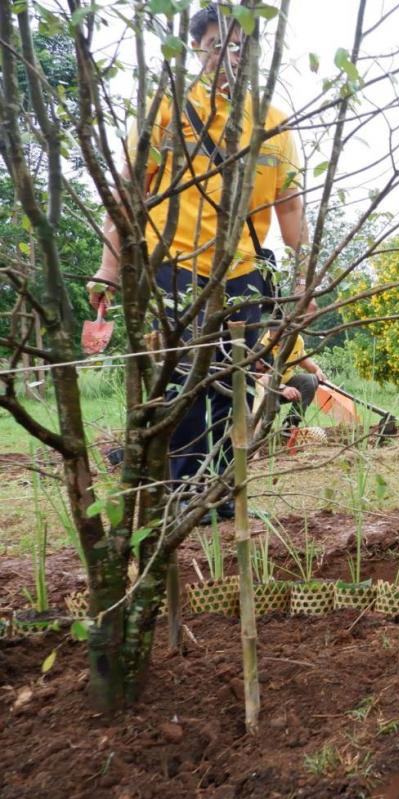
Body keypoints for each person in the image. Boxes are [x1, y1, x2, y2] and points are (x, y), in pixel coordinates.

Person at [88, 4, 306, 522]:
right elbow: (128, 194)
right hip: (175, 269)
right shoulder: (165, 107)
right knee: (182, 382)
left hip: (244, 274)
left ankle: (223, 486)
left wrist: (305, 275)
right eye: (218, 44)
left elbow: (291, 207)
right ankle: (183, 491)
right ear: (198, 48)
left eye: (241, 46)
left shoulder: (272, 122)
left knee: (235, 382)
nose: (230, 55)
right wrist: (109, 269)